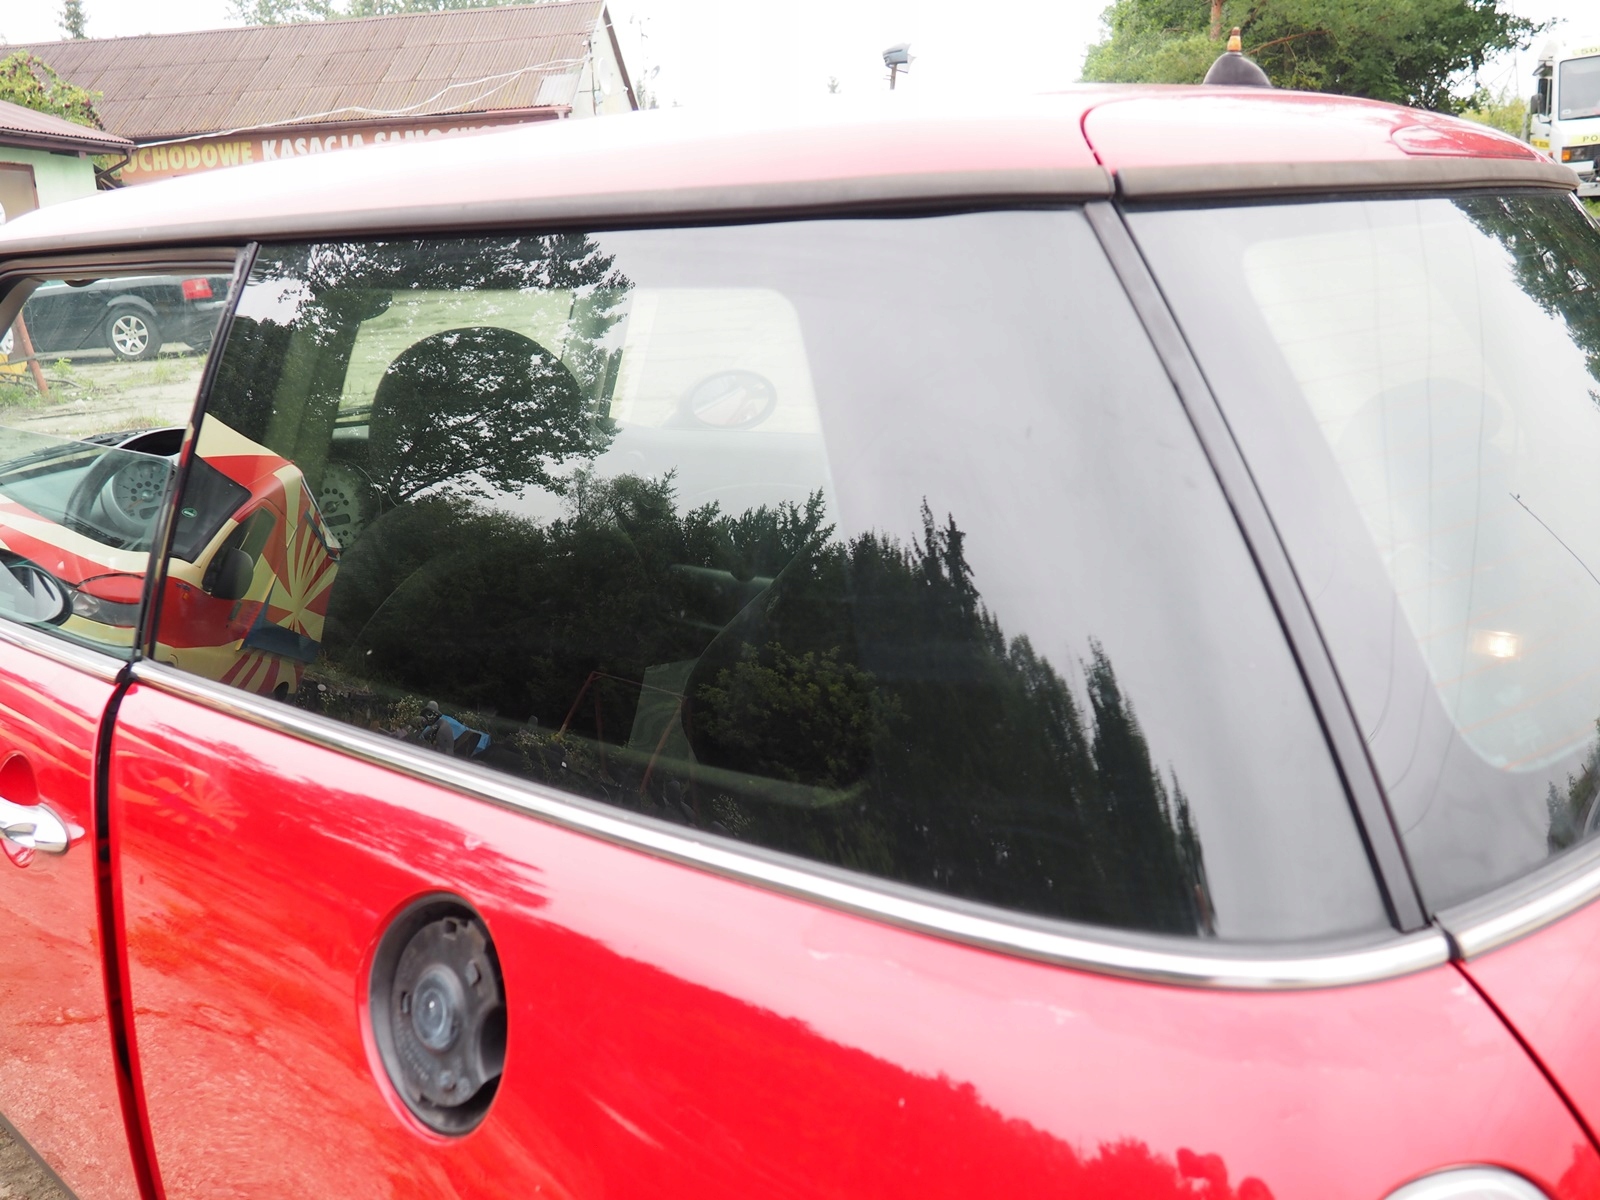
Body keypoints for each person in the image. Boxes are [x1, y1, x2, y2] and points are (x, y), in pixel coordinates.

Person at [419, 700, 490, 758]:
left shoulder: (441, 725)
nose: (429, 717)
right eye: (428, 714)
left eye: (431, 714)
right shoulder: (440, 725)